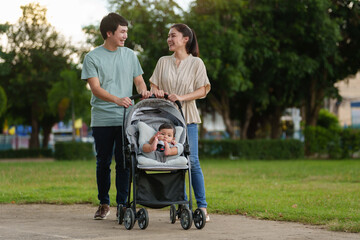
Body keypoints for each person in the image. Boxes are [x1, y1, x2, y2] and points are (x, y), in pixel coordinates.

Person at [81, 12, 151, 220]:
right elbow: (95, 88)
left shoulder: (130, 55)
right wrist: (117, 100)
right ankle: (104, 203)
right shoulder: (92, 57)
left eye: (126, 32)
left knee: (124, 163)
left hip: (126, 119)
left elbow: (139, 81)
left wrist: (144, 90)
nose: (125, 36)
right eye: (122, 32)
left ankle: (122, 204)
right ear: (109, 33)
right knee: (103, 162)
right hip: (103, 118)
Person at [149, 23, 211, 221]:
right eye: (168, 35)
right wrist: (156, 90)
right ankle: (182, 203)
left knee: (192, 162)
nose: (169, 39)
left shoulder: (196, 64)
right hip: (166, 119)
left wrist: (182, 97)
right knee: (174, 162)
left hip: (188, 117)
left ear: (186, 39)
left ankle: (202, 206)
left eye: (173, 35)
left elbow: (203, 89)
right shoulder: (163, 61)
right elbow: (153, 84)